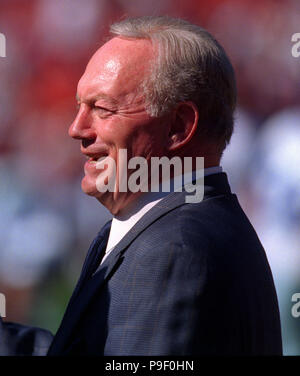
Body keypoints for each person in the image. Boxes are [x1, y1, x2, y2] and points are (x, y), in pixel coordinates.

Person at [47, 16, 282, 355]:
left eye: (101, 108)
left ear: (178, 126)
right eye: (79, 106)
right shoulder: (169, 229)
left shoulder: (175, 251)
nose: (76, 129)